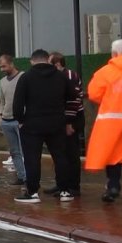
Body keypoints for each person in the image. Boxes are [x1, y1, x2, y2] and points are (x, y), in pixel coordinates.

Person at [12, 49, 76, 203]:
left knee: (32, 158)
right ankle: (65, 191)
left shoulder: (26, 77)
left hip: (32, 124)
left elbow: (18, 103)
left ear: (32, 61)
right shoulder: (61, 77)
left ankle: (32, 192)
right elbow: (71, 97)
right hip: (57, 123)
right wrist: (65, 119)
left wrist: (20, 120)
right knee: (60, 157)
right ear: (48, 60)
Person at [84, 38, 122, 203]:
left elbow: (94, 94)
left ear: (114, 53)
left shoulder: (105, 72)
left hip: (112, 122)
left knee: (113, 154)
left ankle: (113, 186)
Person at [44, 52, 85, 196]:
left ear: (57, 64)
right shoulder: (59, 77)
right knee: (60, 153)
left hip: (71, 120)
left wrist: (69, 123)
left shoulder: (69, 76)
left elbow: (74, 101)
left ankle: (73, 186)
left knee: (71, 154)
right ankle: (62, 184)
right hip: (62, 119)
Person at [0, 54, 26, 186]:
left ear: (11, 63)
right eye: (0, 67)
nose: (2, 69)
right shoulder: (2, 82)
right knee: (14, 151)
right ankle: (21, 176)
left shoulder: (23, 77)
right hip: (6, 120)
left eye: (4, 66)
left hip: (20, 120)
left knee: (25, 149)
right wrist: (0, 115)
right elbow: (2, 100)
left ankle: (30, 177)